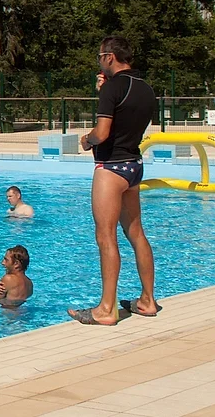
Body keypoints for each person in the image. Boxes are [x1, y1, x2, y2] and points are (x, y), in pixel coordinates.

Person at [68, 36, 159, 326]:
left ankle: (106, 309)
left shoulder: (112, 89)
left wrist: (86, 140)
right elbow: (127, 118)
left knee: (105, 236)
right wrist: (105, 91)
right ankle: (147, 301)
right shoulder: (146, 88)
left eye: (99, 57)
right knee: (136, 233)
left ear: (109, 57)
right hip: (134, 166)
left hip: (111, 168)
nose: (98, 62)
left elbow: (102, 133)